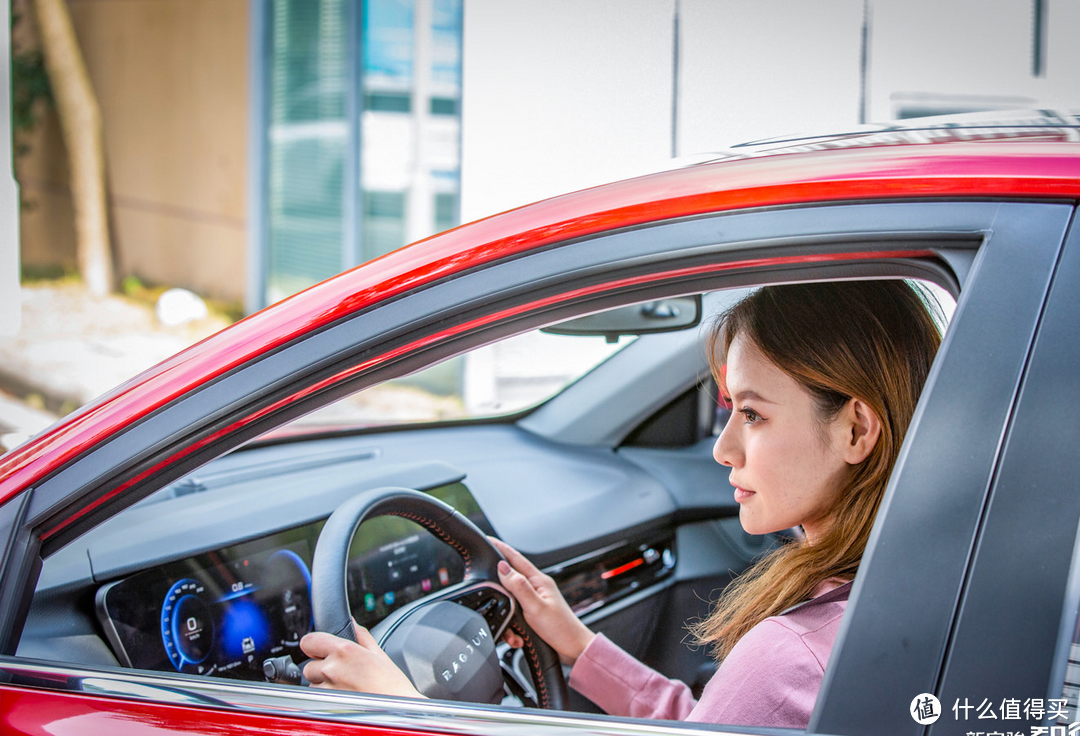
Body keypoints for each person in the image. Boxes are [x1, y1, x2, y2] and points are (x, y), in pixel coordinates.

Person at [300, 280, 942, 730]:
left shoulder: (792, 654)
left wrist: (405, 708)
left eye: (752, 413)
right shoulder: (902, 594)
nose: (723, 449)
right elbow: (714, 725)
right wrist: (579, 646)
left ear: (856, 429)